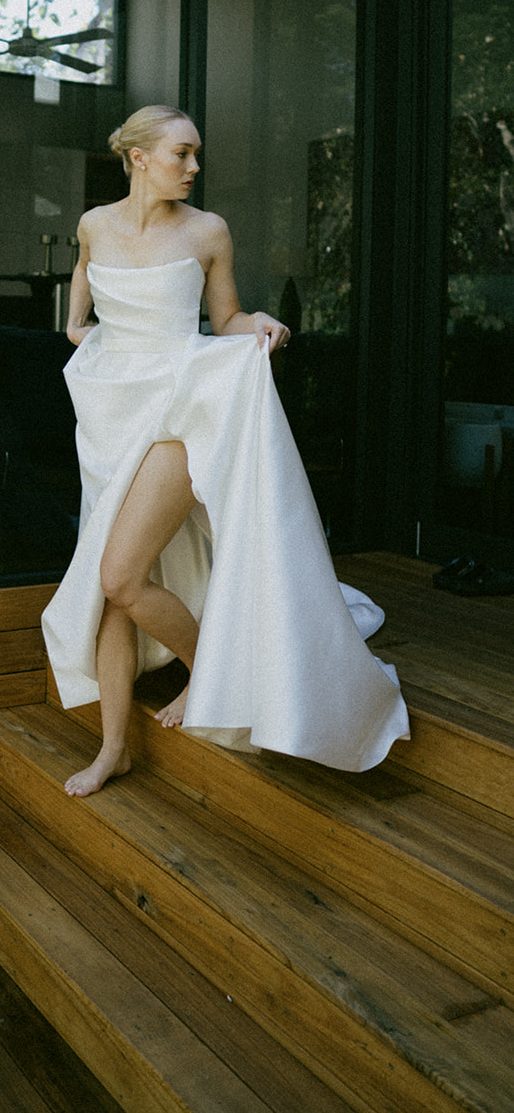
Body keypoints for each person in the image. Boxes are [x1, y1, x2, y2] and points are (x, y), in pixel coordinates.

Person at [41, 104, 409, 797]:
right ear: (139, 157)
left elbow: (226, 317)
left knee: (119, 576)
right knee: (105, 593)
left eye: (196, 154)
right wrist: (76, 329)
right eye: (180, 154)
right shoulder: (94, 224)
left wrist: (258, 322)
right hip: (110, 416)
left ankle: (207, 671)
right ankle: (113, 749)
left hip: (180, 412)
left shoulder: (207, 230)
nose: (193, 167)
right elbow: (81, 291)